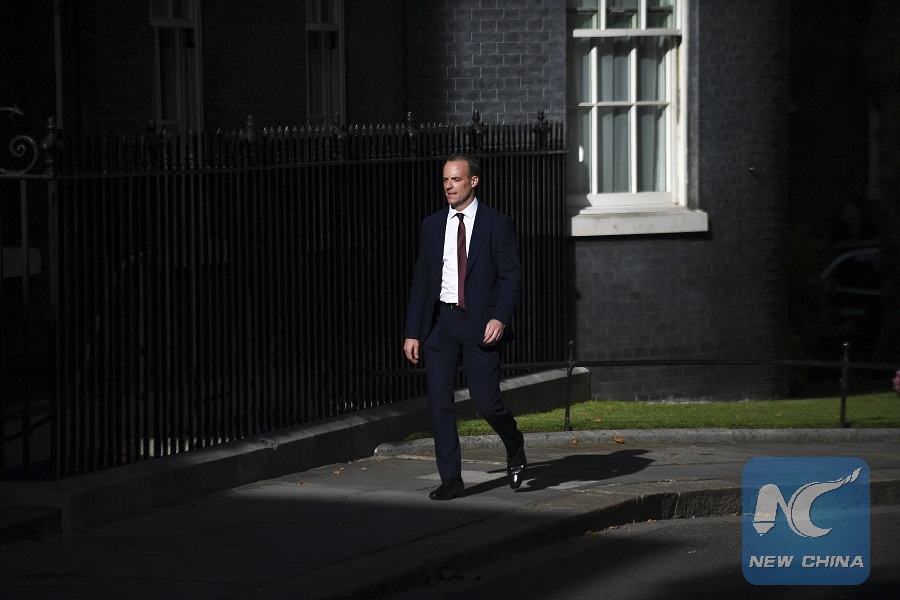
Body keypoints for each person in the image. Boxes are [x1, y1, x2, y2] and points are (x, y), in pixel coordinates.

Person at [403, 154, 527, 500]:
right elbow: (422, 280)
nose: (448, 186)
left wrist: (500, 317)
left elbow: (512, 277)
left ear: (473, 181)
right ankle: (451, 480)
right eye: (445, 179)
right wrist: (413, 331)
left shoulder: (497, 223)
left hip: (480, 324)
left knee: (486, 403)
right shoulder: (432, 225)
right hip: (441, 325)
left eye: (455, 179)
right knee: (439, 404)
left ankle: (514, 442)